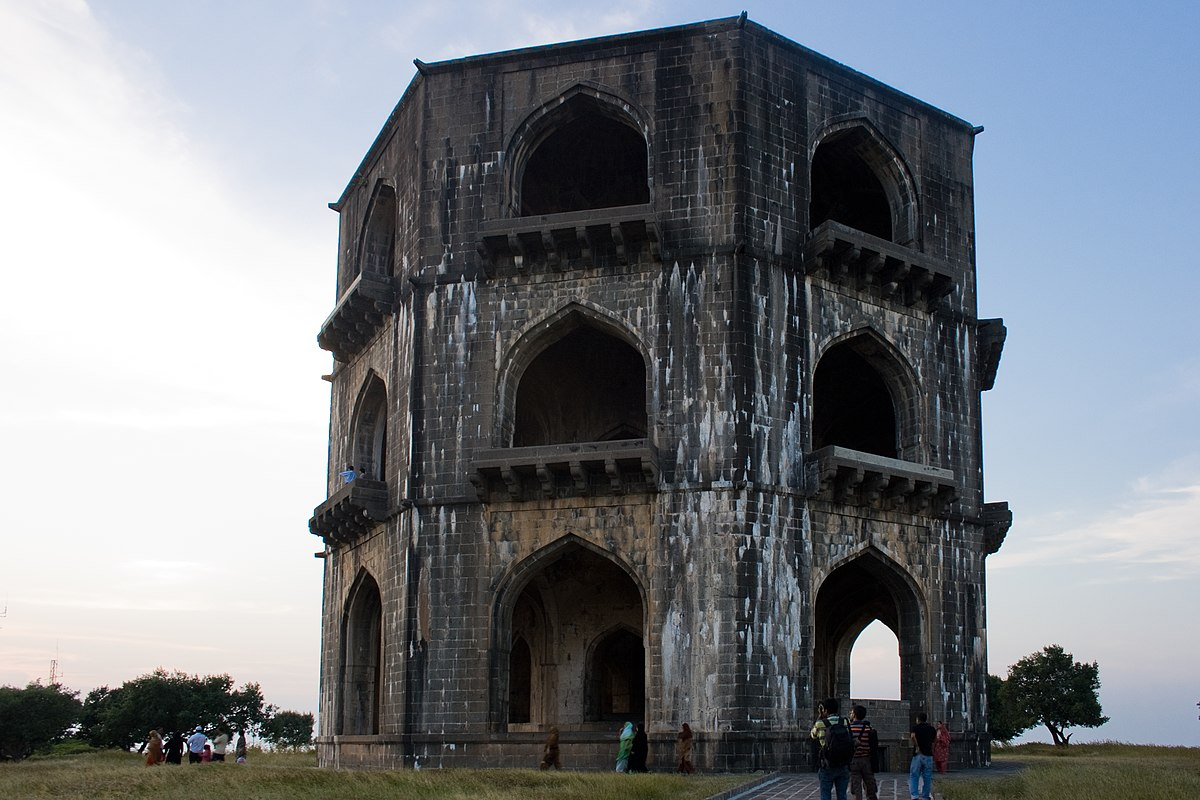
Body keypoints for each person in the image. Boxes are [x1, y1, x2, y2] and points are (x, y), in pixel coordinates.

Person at [811, 698, 850, 800]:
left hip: (827, 763)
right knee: (842, 795)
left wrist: (820, 717)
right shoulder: (845, 721)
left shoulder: (820, 724)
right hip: (843, 762)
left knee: (825, 794)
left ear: (825, 710)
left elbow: (813, 735)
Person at [847, 705, 877, 800]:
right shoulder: (868, 729)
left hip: (854, 760)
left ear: (854, 714)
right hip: (866, 760)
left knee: (856, 787)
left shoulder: (849, 729)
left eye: (851, 712)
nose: (850, 714)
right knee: (870, 785)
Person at [909, 712, 937, 800]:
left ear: (918, 719)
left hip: (918, 754)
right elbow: (935, 740)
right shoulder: (931, 728)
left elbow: (913, 736)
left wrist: (917, 746)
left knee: (914, 775)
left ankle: (915, 796)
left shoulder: (916, 727)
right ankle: (925, 796)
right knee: (927, 776)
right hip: (928, 755)